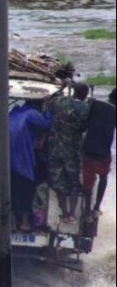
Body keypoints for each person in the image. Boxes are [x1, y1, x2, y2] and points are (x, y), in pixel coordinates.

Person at [47, 81, 90, 223]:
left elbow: (50, 98)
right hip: (72, 152)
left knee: (59, 182)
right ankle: (72, 214)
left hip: (55, 150)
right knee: (73, 182)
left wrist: (62, 87)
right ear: (85, 95)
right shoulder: (85, 108)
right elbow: (84, 127)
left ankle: (64, 213)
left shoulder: (60, 101)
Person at [8, 100, 51, 230]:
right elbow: (47, 124)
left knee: (11, 191)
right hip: (23, 161)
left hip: (6, 161)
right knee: (26, 191)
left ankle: (13, 221)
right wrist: (50, 112)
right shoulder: (33, 114)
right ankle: (25, 222)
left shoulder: (13, 113)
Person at [81, 88, 116, 218]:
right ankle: (96, 207)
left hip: (88, 149)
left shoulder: (95, 104)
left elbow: (85, 122)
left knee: (88, 181)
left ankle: (87, 209)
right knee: (103, 176)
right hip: (103, 152)